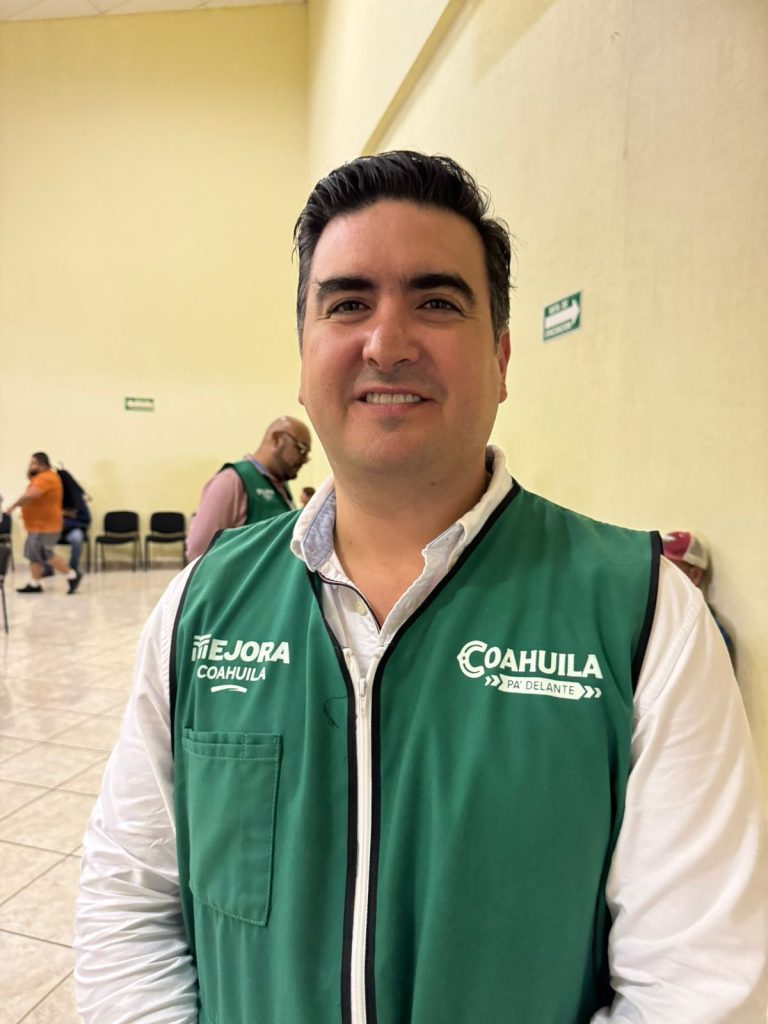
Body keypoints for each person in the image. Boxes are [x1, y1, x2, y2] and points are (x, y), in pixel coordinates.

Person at [75, 153, 767, 1023]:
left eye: (437, 302)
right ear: (304, 359)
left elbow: (699, 988)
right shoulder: (199, 610)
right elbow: (129, 908)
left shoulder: (644, 617)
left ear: (502, 357)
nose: (387, 341)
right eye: (347, 303)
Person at [185, 416, 311, 560]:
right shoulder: (230, 481)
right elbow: (199, 552)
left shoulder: (280, 485)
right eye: (301, 449)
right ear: (277, 439)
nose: (305, 460)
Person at [4, 452, 82, 594]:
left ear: (41, 464)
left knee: (45, 554)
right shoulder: (41, 478)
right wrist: (30, 474)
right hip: (37, 525)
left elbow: (30, 495)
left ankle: (72, 575)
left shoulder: (46, 478)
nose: (29, 465)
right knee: (33, 554)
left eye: (32, 463)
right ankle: (35, 583)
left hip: (45, 526)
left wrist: (12, 506)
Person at [661, 530, 735, 661]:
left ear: (695, 575)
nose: (659, 576)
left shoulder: (711, 634)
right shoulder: (660, 616)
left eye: (668, 568)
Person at [41, 466, 92, 577]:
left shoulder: (77, 500)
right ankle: (48, 568)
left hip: (72, 529)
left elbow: (85, 520)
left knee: (77, 538)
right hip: (55, 530)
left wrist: (65, 520)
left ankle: (73, 569)